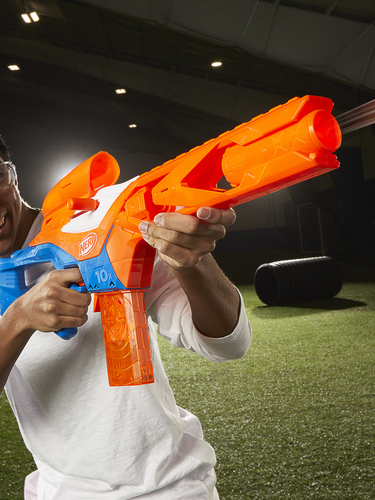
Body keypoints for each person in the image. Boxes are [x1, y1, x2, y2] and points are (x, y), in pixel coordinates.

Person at [0, 134, 252, 499]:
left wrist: (190, 261)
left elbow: (229, 343)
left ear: (12, 176)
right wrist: (18, 318)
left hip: (166, 489)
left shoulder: (97, 224)